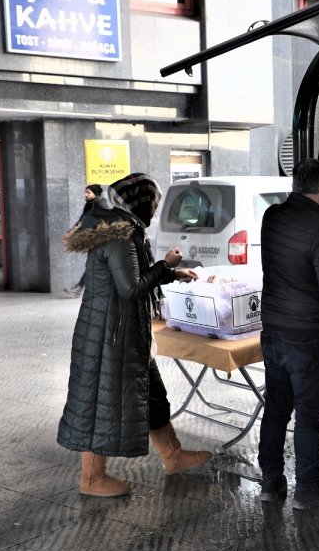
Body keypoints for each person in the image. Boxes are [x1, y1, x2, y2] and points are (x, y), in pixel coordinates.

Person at [57, 172, 211, 497]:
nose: (154, 213)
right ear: (141, 205)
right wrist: (166, 264)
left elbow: (133, 276)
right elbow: (131, 288)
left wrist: (170, 273)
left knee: (151, 392)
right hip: (111, 335)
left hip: (122, 329)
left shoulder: (121, 228)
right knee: (104, 401)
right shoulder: (121, 235)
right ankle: (92, 478)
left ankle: (173, 455)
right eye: (153, 206)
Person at [258, 158, 319, 509]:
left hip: (274, 332)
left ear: (295, 183)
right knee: (309, 416)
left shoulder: (272, 217)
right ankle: (307, 488)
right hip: (309, 336)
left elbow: (299, 232)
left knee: (277, 408)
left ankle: (270, 481)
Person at [64, 184, 103, 297]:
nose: (85, 195)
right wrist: (72, 231)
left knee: (93, 265)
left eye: (88, 192)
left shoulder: (101, 205)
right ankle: (80, 288)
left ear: (96, 194)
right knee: (93, 265)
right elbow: (82, 220)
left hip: (102, 241)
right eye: (85, 192)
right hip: (95, 241)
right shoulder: (90, 205)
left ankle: (79, 288)